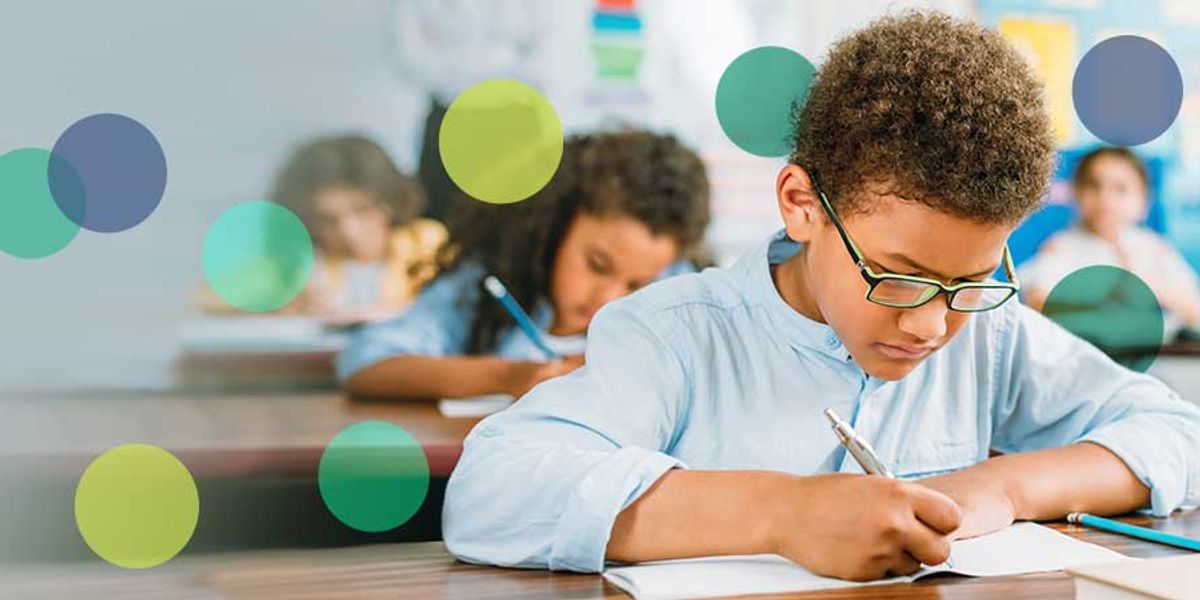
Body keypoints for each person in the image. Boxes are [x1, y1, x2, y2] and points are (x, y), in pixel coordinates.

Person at [441, 13, 1200, 582]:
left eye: (966, 282)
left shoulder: (989, 333)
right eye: (896, 274)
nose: (931, 323)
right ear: (802, 204)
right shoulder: (675, 334)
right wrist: (782, 513)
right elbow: (488, 491)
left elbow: (1176, 429)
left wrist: (999, 485)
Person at [338, 129, 712, 399]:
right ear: (554, 228)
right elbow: (365, 363)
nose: (608, 297)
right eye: (597, 265)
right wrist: (509, 376)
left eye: (636, 285)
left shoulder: (675, 291)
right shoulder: (486, 287)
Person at [267, 134, 446, 323]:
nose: (348, 232)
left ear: (391, 201)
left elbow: (457, 307)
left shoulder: (426, 242)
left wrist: (383, 314)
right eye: (327, 220)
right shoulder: (295, 261)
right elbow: (235, 300)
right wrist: (279, 305)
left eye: (363, 210)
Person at [1021, 146, 1200, 330]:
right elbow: (1037, 299)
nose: (1105, 198)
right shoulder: (1061, 247)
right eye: (1094, 185)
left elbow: (1193, 307)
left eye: (1120, 189)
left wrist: (1145, 287)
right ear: (1076, 193)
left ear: (1143, 201)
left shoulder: (1155, 248)